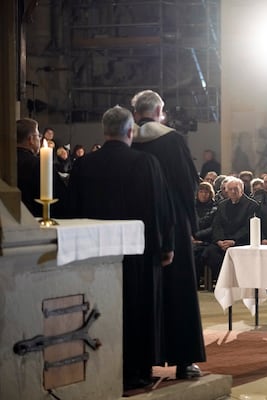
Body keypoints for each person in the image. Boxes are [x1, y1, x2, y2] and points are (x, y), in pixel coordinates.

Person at [67, 106, 175, 391]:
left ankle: (98, 366)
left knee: (97, 309)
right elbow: (162, 209)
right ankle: (136, 372)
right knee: (138, 310)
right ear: (131, 131)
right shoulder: (146, 162)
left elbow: (70, 212)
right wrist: (167, 246)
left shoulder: (83, 165)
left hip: (93, 258)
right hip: (139, 256)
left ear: (104, 132)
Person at [130, 89, 205, 379]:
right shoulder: (173, 139)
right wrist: (191, 225)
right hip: (173, 222)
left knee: (142, 291)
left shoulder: (129, 139)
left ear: (135, 113)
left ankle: (141, 362)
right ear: (160, 111)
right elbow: (188, 184)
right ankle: (184, 361)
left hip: (139, 224)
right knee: (180, 292)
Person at [203, 177, 259, 276]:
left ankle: (237, 280)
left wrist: (233, 241)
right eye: (230, 189)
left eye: (236, 189)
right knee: (211, 251)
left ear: (241, 189)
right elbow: (217, 225)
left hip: (241, 242)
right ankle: (222, 280)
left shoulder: (252, 205)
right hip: (223, 242)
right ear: (226, 191)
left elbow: (248, 227)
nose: (233, 192)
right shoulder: (222, 205)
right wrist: (219, 240)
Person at [16, 118, 68, 217]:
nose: (40, 139)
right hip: (37, 219)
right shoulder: (41, 164)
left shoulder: (6, 163)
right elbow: (61, 197)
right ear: (31, 139)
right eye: (38, 136)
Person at [193, 181, 218, 288]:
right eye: (201, 191)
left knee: (198, 252)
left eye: (206, 192)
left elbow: (213, 228)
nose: (203, 194)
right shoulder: (191, 206)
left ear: (210, 194)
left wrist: (196, 237)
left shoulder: (215, 208)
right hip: (190, 239)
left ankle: (196, 281)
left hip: (207, 239)